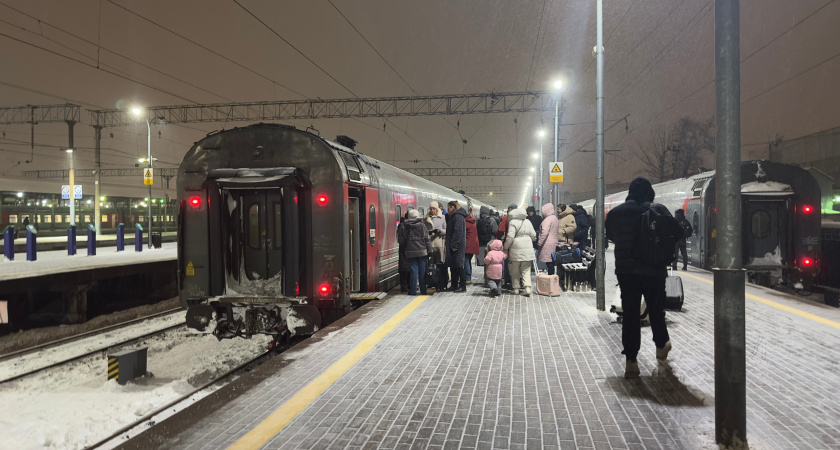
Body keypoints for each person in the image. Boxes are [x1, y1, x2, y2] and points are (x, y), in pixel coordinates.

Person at [605, 177, 682, 379]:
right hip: (654, 270)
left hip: (626, 271)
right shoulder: (658, 209)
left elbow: (611, 235)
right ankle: (661, 345)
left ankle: (631, 362)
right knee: (656, 310)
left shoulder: (615, 213)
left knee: (630, 315)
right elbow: (679, 231)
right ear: (649, 193)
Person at [503, 206, 537, 296]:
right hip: (527, 246)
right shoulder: (528, 221)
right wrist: (530, 240)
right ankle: (527, 288)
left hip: (516, 247)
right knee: (526, 269)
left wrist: (505, 247)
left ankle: (516, 289)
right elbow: (533, 235)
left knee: (515, 270)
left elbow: (510, 237)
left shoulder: (512, 222)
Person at [400, 209, 433, 296]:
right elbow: (427, 239)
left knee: (414, 271)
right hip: (422, 251)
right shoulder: (422, 226)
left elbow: (402, 241)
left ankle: (413, 291)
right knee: (422, 272)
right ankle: (423, 290)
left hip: (410, 252)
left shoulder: (405, 226)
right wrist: (430, 250)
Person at [445, 201, 468, 292]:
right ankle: (454, 285)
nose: (447, 210)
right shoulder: (453, 216)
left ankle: (462, 285)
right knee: (454, 266)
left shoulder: (458, 217)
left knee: (459, 266)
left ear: (453, 207)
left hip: (457, 246)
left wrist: (454, 245)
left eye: (449, 208)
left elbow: (457, 232)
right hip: (453, 244)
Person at [425, 201, 448, 291]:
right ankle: (431, 282)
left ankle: (440, 284)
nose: (432, 210)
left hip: (439, 245)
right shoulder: (426, 218)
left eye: (434, 209)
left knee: (439, 266)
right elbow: (423, 230)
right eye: (431, 209)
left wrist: (439, 231)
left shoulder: (442, 217)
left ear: (437, 209)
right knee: (430, 266)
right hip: (430, 245)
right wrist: (428, 233)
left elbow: (446, 230)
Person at [496, 203, 518, 290]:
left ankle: (509, 281)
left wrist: (497, 239)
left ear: (509, 209)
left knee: (508, 261)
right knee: (518, 261)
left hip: (509, 241)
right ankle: (519, 281)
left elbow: (500, 230)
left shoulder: (506, 218)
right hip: (520, 243)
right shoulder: (522, 218)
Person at [536, 203, 559, 275]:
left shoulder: (547, 220)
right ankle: (552, 277)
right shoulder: (555, 218)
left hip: (547, 243)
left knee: (549, 263)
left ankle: (550, 278)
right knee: (551, 261)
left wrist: (539, 243)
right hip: (554, 242)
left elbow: (544, 233)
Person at [464, 208, 480, 285]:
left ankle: (467, 278)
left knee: (466, 260)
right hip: (473, 244)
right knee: (468, 260)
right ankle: (468, 276)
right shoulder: (472, 222)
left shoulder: (465, 223)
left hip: (468, 244)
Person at [397, 212, 411, 293]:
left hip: (406, 249)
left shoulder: (405, 225)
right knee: (405, 269)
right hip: (404, 250)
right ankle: (405, 286)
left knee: (407, 268)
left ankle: (407, 286)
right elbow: (401, 240)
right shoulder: (403, 226)